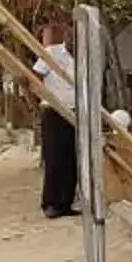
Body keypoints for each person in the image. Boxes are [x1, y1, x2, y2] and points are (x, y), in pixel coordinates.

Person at [33, 17, 78, 221]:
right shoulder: (51, 53)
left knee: (70, 159)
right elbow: (36, 76)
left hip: (73, 111)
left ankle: (65, 202)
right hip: (53, 110)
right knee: (54, 157)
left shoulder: (75, 57)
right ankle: (51, 202)